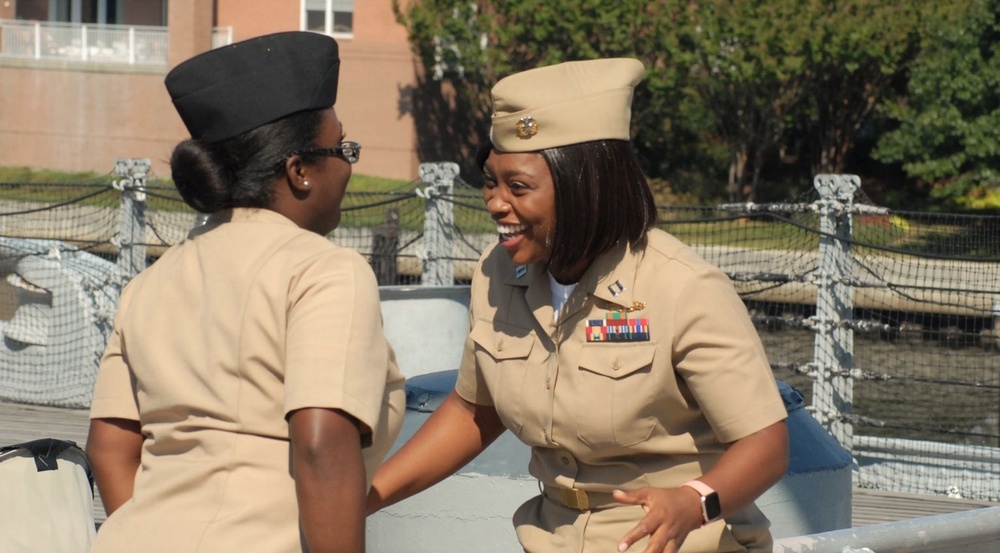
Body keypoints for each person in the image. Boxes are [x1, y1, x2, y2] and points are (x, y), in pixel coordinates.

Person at [367, 58, 789, 553]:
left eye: (518, 187)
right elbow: (474, 412)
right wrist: (364, 497)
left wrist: (692, 501)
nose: (496, 203)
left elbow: (766, 444)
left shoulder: (684, 288)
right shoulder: (497, 273)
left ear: (584, 187)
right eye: (491, 181)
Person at [85, 31, 404, 553]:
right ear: (299, 171)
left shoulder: (149, 284)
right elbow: (321, 444)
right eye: (342, 147)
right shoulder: (325, 272)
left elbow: (109, 448)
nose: (349, 163)